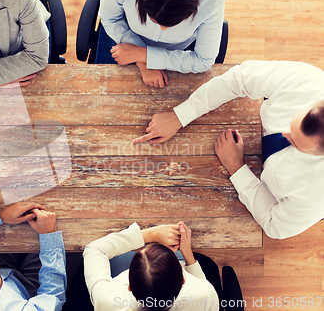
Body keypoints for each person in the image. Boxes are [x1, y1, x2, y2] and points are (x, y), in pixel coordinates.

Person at [132, 60, 324, 239]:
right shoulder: (306, 81)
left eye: (296, 144)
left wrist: (236, 168)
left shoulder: (313, 195)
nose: (284, 133)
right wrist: (179, 116)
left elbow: (275, 225)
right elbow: (238, 78)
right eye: (292, 123)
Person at [96, 0, 226, 88]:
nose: (163, 29)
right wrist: (142, 62)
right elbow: (110, 18)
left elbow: (203, 61)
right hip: (122, 32)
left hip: (180, 48)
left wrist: (143, 55)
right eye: (153, 19)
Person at [83, 221, 219, 311]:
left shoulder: (106, 300)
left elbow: (94, 249)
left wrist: (149, 234)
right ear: (183, 280)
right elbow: (201, 283)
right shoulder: (204, 296)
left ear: (129, 286)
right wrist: (187, 253)